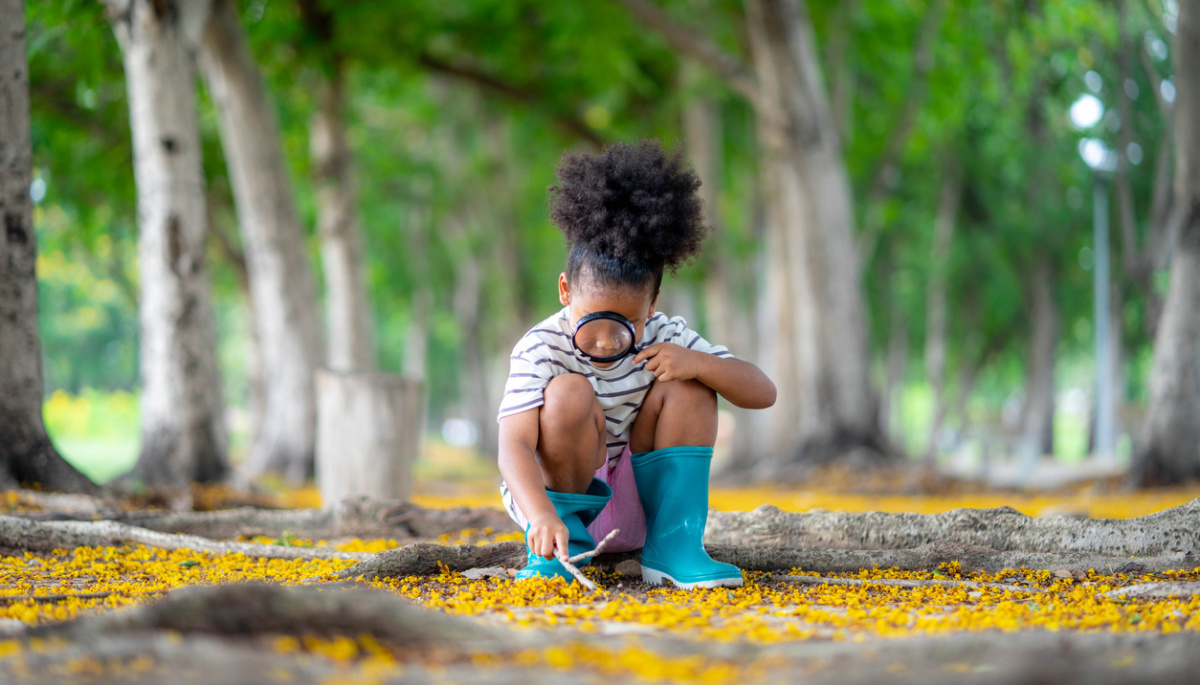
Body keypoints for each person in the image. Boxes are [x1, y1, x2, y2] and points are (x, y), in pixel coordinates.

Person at [496, 140, 776, 589]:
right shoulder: (541, 347)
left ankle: (674, 548)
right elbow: (512, 445)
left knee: (694, 382)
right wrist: (541, 517)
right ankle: (559, 551)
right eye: (592, 319)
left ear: (653, 304)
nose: (606, 340)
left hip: (642, 504)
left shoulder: (668, 334)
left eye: (627, 321)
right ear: (565, 291)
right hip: (555, 507)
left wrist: (696, 362)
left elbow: (764, 393)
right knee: (568, 391)